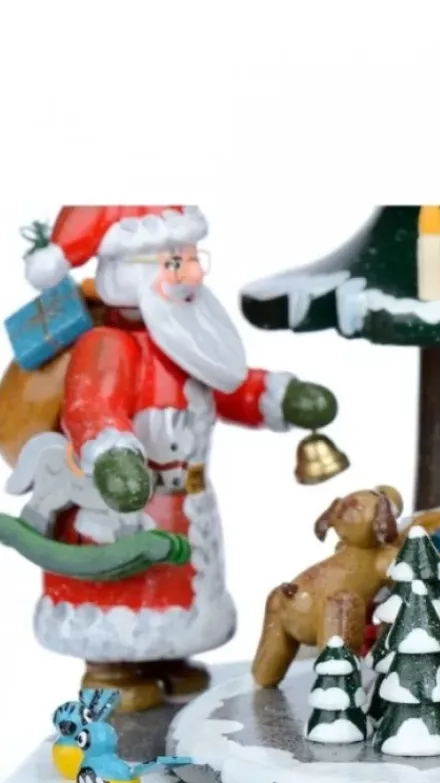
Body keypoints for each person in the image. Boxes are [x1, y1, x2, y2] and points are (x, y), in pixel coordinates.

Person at [14, 205, 338, 710]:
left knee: (175, 587)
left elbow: (226, 387)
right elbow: (91, 407)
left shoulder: (181, 337)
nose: (193, 274)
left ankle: (166, 658)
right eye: (174, 262)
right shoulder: (107, 345)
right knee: (125, 591)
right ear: (132, 273)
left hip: (185, 504)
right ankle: (111, 670)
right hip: (122, 506)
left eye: (192, 258)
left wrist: (275, 396)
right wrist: (114, 456)